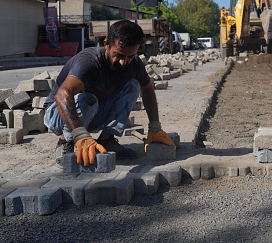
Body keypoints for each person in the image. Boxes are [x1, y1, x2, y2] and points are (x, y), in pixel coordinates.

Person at [43, 19, 176, 166]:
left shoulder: (134, 64)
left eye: (130, 56)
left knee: (133, 85)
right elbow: (62, 94)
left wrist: (155, 127)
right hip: (58, 115)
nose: (123, 62)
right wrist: (80, 135)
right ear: (106, 44)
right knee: (88, 100)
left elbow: (148, 90)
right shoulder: (89, 61)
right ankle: (65, 142)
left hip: (92, 113)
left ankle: (106, 139)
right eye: (119, 55)